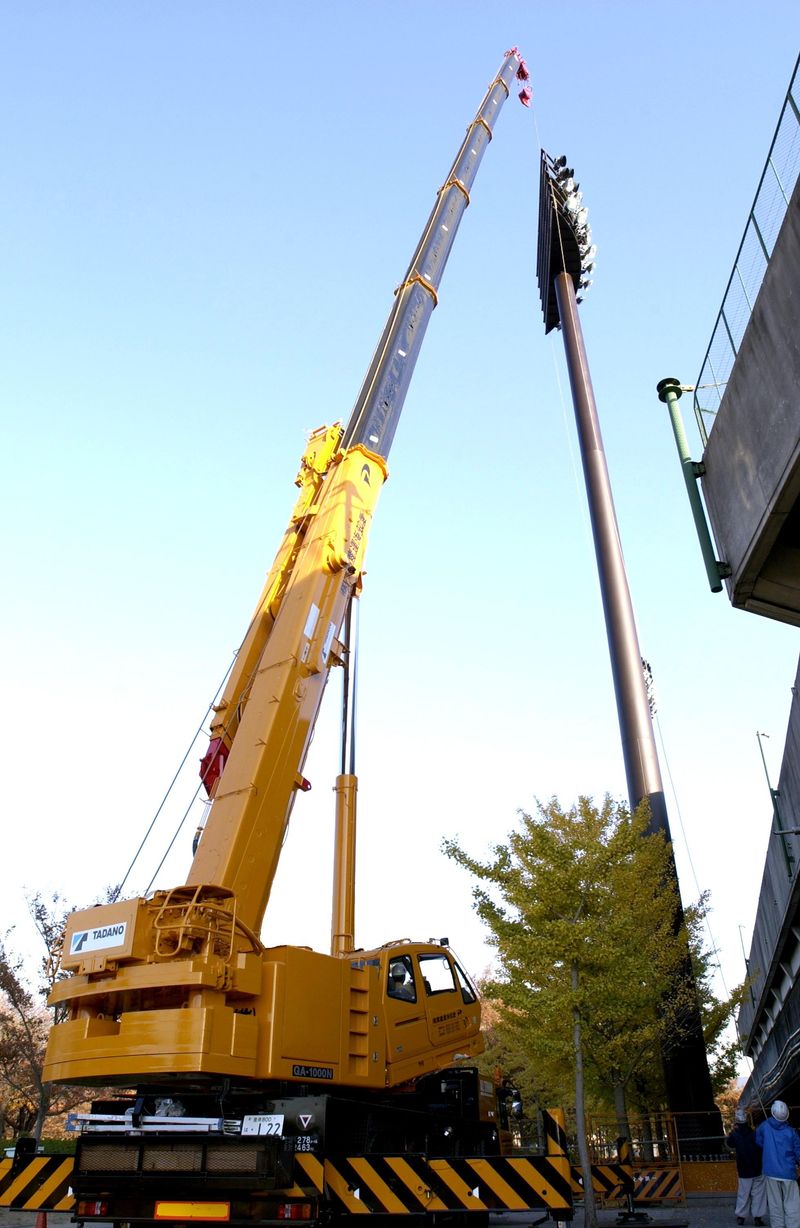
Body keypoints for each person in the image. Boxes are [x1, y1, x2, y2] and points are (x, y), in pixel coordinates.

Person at [755, 1100, 800, 1228]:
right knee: (792, 1203)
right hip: (788, 1172)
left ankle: (778, 1226)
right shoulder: (791, 1132)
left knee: (775, 1203)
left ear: (773, 1112)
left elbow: (758, 1141)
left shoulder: (764, 1126)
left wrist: (769, 1149)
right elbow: (798, 1151)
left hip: (770, 1171)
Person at [727, 1107, 766, 1225]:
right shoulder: (754, 1133)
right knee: (758, 1193)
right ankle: (758, 1217)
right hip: (757, 1167)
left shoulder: (735, 1135)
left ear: (737, 1121)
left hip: (743, 1168)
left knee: (743, 1193)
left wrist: (733, 1131)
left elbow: (729, 1144)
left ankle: (741, 1216)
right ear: (747, 1120)